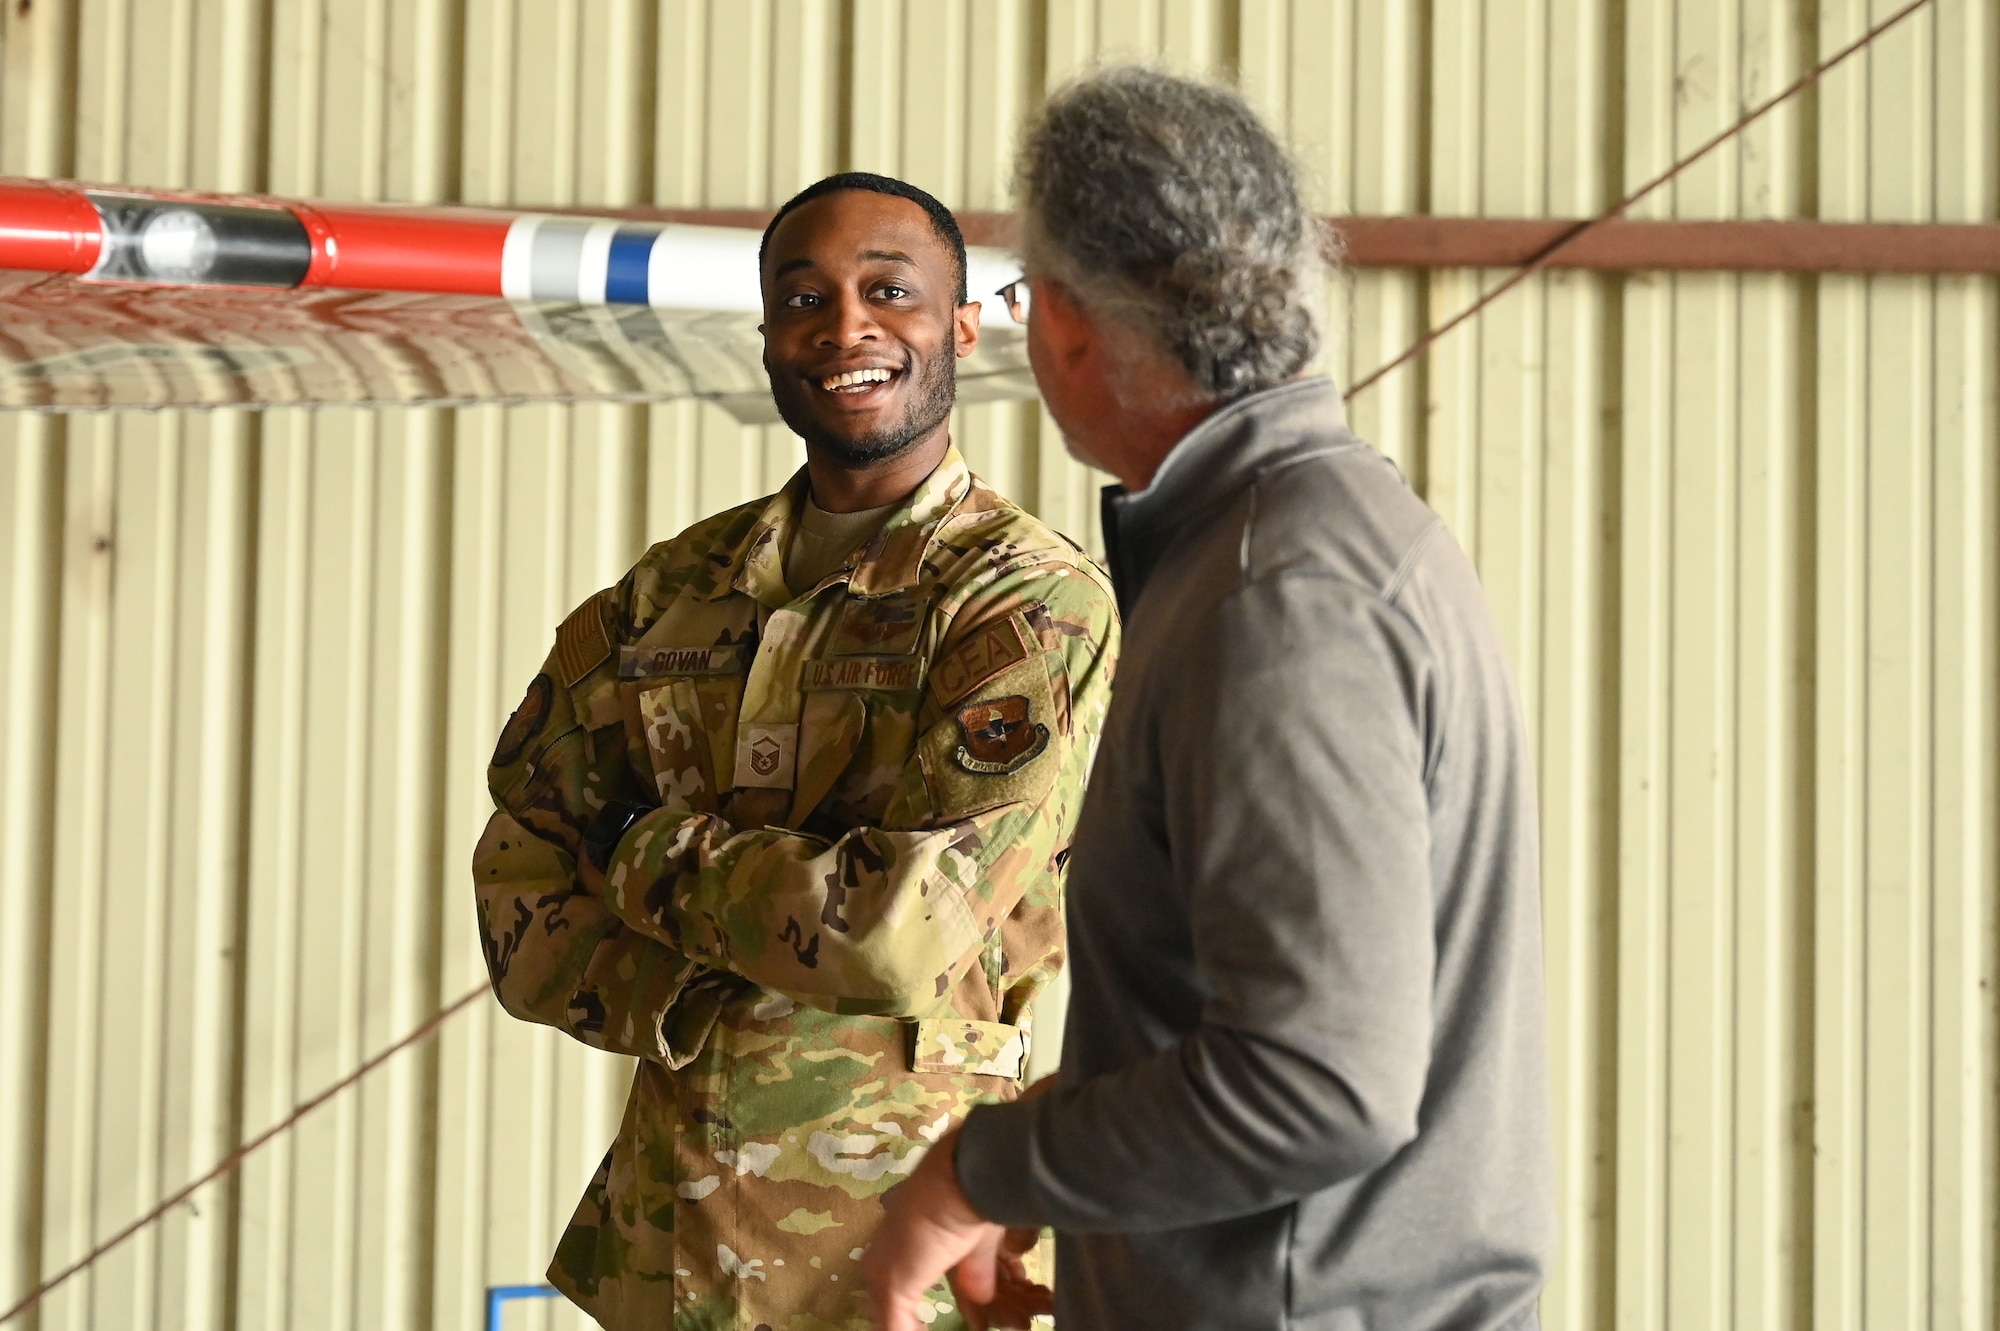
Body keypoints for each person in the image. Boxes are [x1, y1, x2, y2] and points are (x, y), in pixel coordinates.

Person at [863, 69, 1556, 1331]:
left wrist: (981, 1170)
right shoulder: (1318, 539)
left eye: (1021, 303)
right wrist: (1061, 1147)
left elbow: (1315, 1081)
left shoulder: (1274, 599)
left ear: (1067, 321)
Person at [472, 170, 1119, 1331]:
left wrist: (642, 850)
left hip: (896, 1259)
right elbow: (521, 876)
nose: (846, 327)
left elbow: (896, 934)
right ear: (771, 336)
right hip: (668, 1253)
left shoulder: (1023, 604)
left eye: (890, 291)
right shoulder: (674, 590)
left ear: (961, 325)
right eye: (803, 297)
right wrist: (686, 1001)